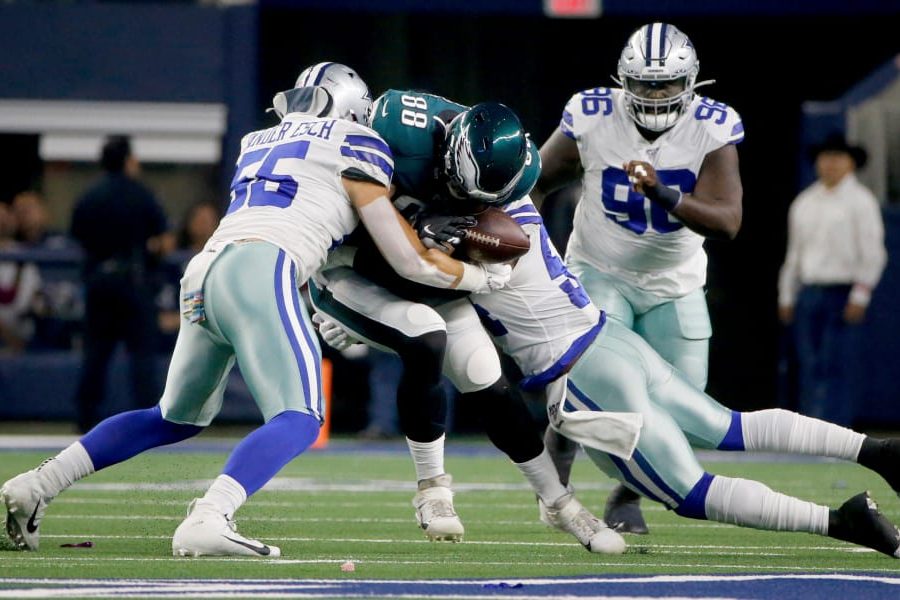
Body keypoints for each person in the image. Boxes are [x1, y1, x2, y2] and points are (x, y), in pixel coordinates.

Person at [1, 64, 512, 557]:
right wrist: (480, 276)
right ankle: (210, 516)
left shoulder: (256, 141)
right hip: (263, 268)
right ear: (353, 110)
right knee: (301, 416)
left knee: (172, 417)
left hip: (206, 271)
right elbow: (406, 258)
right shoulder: (361, 143)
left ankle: (37, 483)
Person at [458, 196, 900, 558]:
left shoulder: (466, 242)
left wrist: (428, 241)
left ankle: (842, 520)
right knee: (728, 425)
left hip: (580, 375)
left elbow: (420, 272)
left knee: (690, 492)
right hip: (613, 340)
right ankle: (876, 451)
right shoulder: (517, 203)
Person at [310, 84, 628, 554]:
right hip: (353, 267)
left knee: (487, 378)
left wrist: (482, 263)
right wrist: (424, 227)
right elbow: (351, 221)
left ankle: (561, 504)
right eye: (459, 190)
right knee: (425, 337)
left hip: (427, 274)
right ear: (448, 151)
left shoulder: (520, 174)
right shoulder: (393, 130)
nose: (465, 203)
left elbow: (468, 253)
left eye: (479, 201)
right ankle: (432, 489)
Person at [530, 22, 744, 534]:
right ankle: (563, 446)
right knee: (595, 381)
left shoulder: (711, 127)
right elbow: (535, 180)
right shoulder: (592, 115)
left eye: (666, 83)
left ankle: (626, 494)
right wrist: (532, 254)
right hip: (601, 268)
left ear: (690, 82)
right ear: (624, 80)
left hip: (675, 280)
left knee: (688, 411)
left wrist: (664, 195)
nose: (654, 94)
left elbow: (728, 220)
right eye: (645, 83)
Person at [778, 134, 887, 426]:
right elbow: (795, 254)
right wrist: (787, 295)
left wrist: (860, 295)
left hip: (842, 292)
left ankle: (834, 431)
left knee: (835, 364)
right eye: (826, 157)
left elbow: (873, 253)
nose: (831, 164)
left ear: (851, 163)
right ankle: (807, 430)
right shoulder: (805, 202)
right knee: (808, 363)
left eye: (838, 157)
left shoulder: (861, 202)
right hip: (809, 292)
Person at [69, 136, 172, 432]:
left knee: (95, 355)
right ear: (128, 160)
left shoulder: (89, 196)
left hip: (99, 282)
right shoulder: (142, 194)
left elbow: (78, 236)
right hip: (132, 283)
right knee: (142, 356)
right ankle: (149, 424)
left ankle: (84, 419)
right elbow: (164, 242)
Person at [0, 202, 41, 352]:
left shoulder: (24, 254)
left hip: (21, 327)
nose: (2, 222)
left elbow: (15, 297)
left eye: (5, 217)